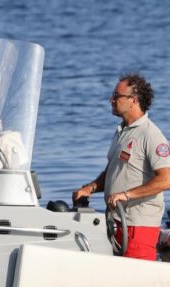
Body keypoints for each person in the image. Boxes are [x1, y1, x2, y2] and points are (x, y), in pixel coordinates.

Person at [73, 73, 170, 260]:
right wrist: (90, 188)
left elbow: (166, 179)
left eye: (117, 96)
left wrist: (126, 195)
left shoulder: (151, 135)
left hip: (138, 227)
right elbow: (113, 170)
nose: (111, 99)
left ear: (133, 100)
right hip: (116, 222)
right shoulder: (122, 131)